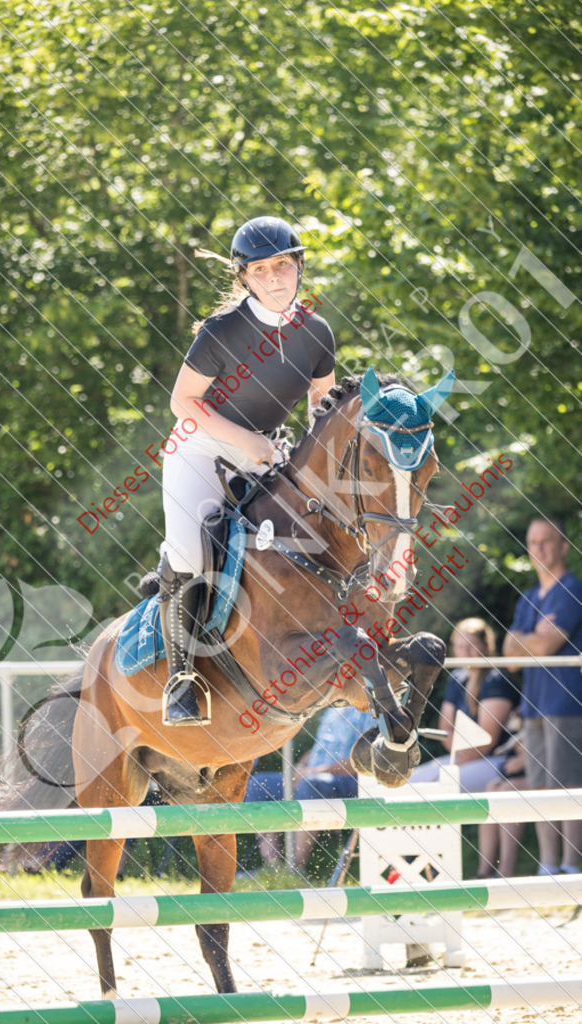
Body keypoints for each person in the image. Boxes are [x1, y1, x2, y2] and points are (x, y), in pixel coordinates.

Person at [160, 216, 336, 725]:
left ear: (298, 266)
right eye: (261, 270)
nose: (275, 277)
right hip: (200, 451)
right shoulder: (223, 331)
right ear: (244, 278)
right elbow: (182, 402)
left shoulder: (316, 332)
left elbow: (321, 411)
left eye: (283, 265)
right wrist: (247, 441)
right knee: (192, 551)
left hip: (268, 456)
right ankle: (181, 679)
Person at [503, 516, 582, 875]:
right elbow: (510, 657)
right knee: (538, 788)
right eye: (532, 542)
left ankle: (570, 866)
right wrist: (527, 642)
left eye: (547, 541)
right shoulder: (529, 597)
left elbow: (549, 644)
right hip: (533, 702)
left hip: (565, 701)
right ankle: (547, 867)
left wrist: (527, 642)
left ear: (564, 546)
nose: (539, 549)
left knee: (566, 785)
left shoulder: (571, 590)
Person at [241, 706, 375, 875]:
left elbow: (366, 758)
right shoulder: (334, 710)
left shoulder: (370, 712)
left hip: (349, 781)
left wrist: (315, 772)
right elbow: (319, 748)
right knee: (258, 785)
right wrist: (300, 768)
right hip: (314, 775)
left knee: (310, 784)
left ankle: (296, 868)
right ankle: (272, 867)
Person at [409, 617, 520, 792]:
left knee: (438, 788)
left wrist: (456, 765)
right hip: (462, 756)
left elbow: (486, 742)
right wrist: (458, 758)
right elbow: (446, 728)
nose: (465, 652)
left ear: (487, 646)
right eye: (460, 647)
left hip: (496, 759)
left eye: (472, 646)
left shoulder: (496, 680)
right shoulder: (457, 678)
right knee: (412, 783)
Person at [475, 726, 528, 879]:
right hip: (521, 769)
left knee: (507, 791)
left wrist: (525, 759)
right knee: (492, 788)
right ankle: (484, 870)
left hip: (545, 774)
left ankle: (506, 870)